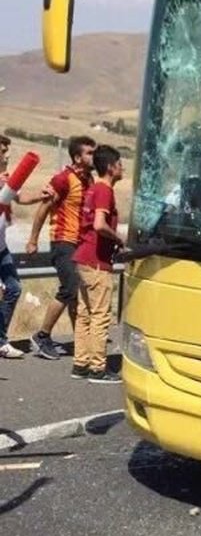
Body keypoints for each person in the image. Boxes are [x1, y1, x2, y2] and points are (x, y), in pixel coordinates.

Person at [25, 134, 96, 359]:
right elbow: (43, 209)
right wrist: (33, 239)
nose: (94, 156)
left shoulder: (90, 180)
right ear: (77, 157)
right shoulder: (63, 179)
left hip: (81, 244)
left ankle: (81, 341)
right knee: (70, 288)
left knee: (79, 293)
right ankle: (42, 336)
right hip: (63, 241)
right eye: (89, 153)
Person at [71, 144, 125, 383]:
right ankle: (97, 367)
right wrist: (119, 239)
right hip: (96, 261)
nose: (122, 168)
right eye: (120, 164)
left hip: (82, 258)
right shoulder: (104, 190)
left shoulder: (93, 189)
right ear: (112, 167)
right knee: (100, 315)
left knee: (84, 314)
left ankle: (80, 363)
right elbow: (99, 224)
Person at [0, 134, 47, 359]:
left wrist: (43, 196)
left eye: (7, 151)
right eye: (2, 151)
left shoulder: (6, 180)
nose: (7, 155)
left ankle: (0, 340)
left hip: (1, 248)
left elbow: (20, 198)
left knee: (14, 288)